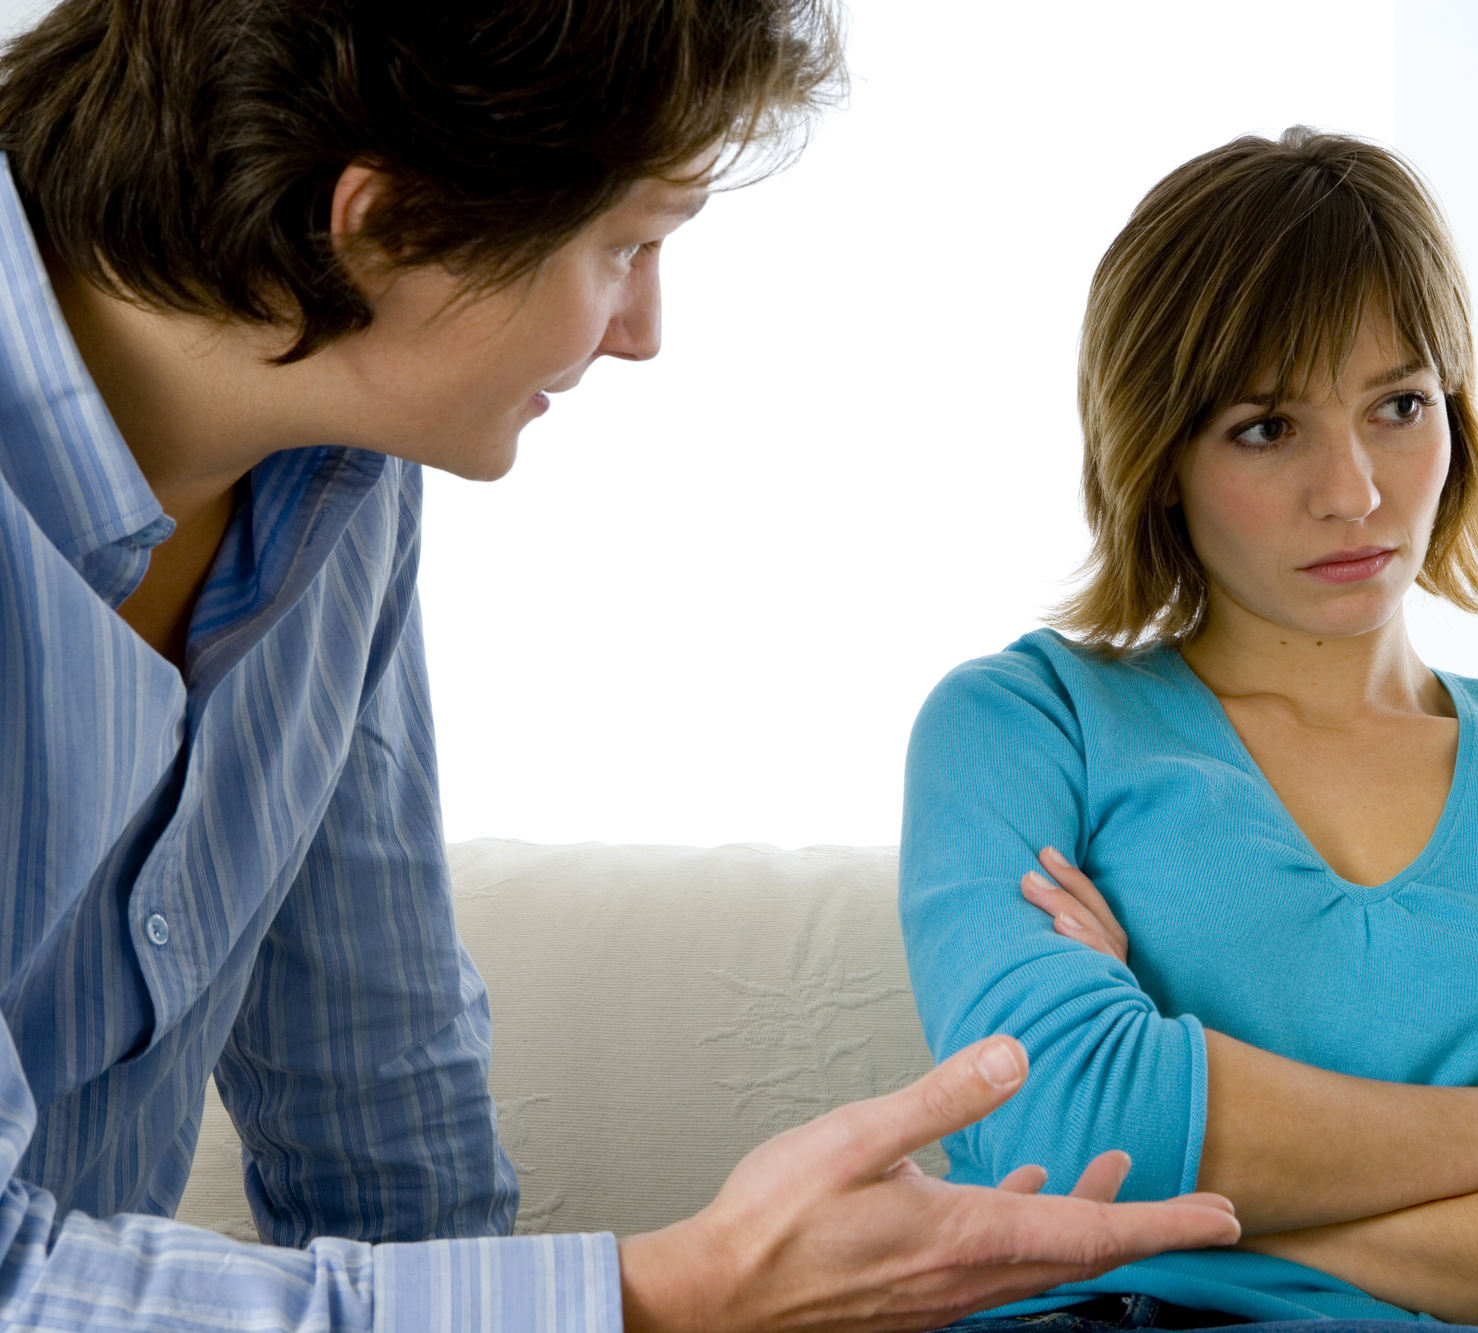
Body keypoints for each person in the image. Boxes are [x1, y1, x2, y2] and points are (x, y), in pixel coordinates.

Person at [0, 1, 1243, 1329]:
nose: (641, 330)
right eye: (628, 245)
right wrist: (674, 1294)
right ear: (383, 227)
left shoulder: (339, 489)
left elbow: (377, 1112)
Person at [899, 129, 1478, 1333]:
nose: (1352, 489)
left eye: (1397, 405)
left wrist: (1169, 1188)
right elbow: (1071, 1124)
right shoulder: (1024, 725)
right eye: (1266, 426)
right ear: (1159, 459)